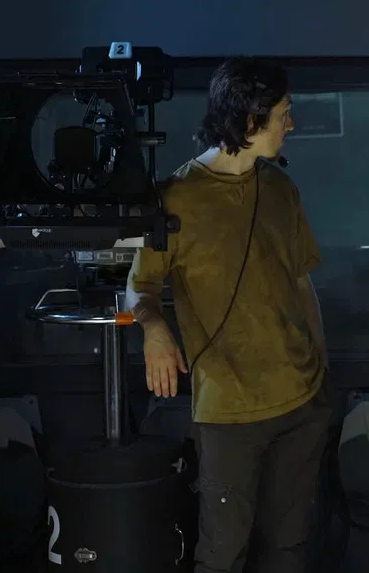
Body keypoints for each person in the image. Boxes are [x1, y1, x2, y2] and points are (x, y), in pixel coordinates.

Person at [125, 57, 332, 573]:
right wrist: (153, 327)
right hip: (229, 412)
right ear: (250, 121)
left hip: (301, 402)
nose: (291, 124)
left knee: (289, 549)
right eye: (283, 114)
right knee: (222, 554)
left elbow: (300, 281)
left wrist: (322, 368)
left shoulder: (280, 188)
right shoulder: (175, 199)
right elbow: (138, 286)